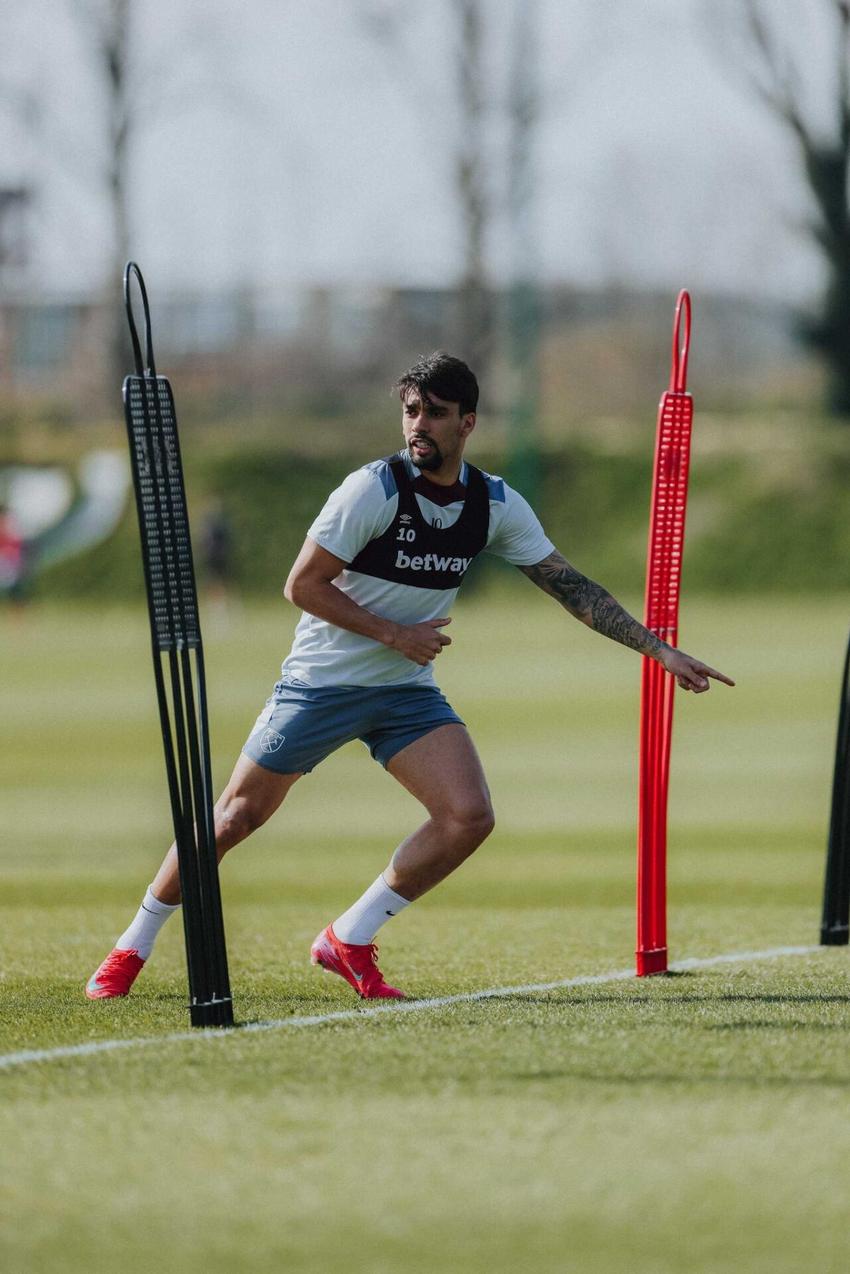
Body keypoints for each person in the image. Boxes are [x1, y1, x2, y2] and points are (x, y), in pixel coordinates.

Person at [86, 352, 733, 1004]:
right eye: (411, 411)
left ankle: (349, 937)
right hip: (322, 683)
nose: (418, 424)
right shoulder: (373, 490)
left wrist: (657, 650)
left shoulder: (495, 503)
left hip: (402, 692)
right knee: (234, 819)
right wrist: (396, 634)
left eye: (435, 413)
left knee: (468, 816)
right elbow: (301, 586)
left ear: (468, 423)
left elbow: (569, 585)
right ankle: (130, 947)